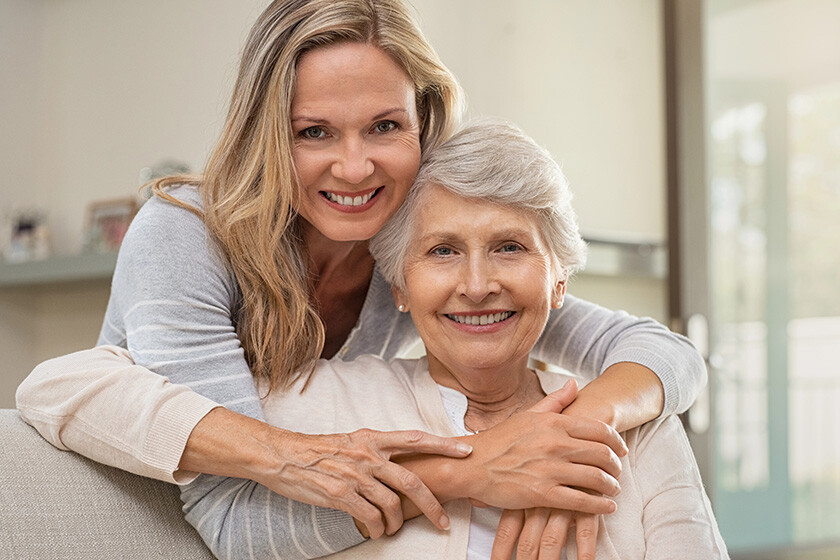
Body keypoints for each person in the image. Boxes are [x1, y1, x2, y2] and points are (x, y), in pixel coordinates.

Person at [16, 0, 707, 558]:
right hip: (144, 514)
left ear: (423, 123)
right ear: (267, 135)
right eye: (314, 132)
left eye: (383, 126)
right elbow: (230, 520)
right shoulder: (186, 234)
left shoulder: (412, 250)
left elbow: (665, 353)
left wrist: (565, 438)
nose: (354, 169)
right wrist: (475, 468)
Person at [233, 119, 732, 558]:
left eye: (509, 247)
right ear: (400, 287)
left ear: (559, 280)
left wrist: (571, 438)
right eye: (443, 250)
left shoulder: (639, 426)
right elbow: (238, 535)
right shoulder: (312, 403)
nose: (477, 285)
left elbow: (673, 355)